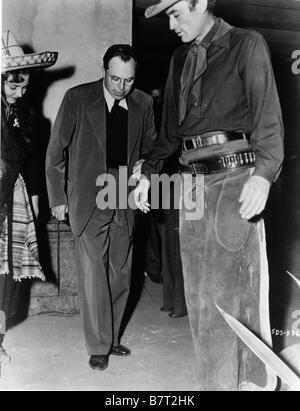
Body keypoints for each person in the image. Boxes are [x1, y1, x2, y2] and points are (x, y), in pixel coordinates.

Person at [134, 0, 284, 390]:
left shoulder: (246, 44)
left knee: (232, 299)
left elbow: (268, 117)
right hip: (190, 185)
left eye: (175, 13)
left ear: (201, 3)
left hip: (234, 179)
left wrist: (264, 175)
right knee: (200, 300)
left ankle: (247, 384)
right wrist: (148, 172)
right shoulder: (181, 58)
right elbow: (170, 131)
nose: (171, 25)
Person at [46, 44, 156, 371]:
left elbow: (152, 149)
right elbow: (55, 154)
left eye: (129, 81)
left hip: (125, 189)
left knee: (121, 268)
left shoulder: (144, 103)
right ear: (103, 70)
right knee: (94, 269)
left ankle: (112, 337)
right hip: (87, 194)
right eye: (115, 79)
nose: (122, 87)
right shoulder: (78, 98)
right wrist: (58, 199)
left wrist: (145, 170)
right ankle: (97, 344)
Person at [0, 31, 57, 364]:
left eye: (23, 87)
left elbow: (33, 160)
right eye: (12, 86)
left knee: (7, 275)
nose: (19, 93)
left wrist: (36, 198)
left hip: (15, 200)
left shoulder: (27, 117)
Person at [145, 89, 187, 317]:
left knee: (170, 241)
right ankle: (176, 302)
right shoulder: (177, 116)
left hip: (172, 179)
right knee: (173, 242)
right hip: (177, 180)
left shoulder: (161, 114)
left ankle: (174, 301)